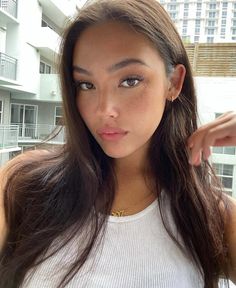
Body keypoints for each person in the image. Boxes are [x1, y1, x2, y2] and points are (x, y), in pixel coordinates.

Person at [0, 0, 235, 287]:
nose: (104, 109)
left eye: (130, 80)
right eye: (86, 85)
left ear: (174, 82)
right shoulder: (24, 184)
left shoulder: (209, 213)